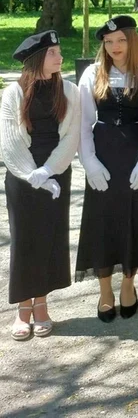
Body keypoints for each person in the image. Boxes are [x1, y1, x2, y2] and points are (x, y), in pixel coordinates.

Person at [0, 30, 80, 340]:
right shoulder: (13, 93)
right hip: (23, 177)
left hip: (56, 171)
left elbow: (71, 137)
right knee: (25, 239)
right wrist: (34, 176)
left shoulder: (69, 91)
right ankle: (23, 306)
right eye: (53, 52)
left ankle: (43, 304)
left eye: (59, 51)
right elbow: (10, 143)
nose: (59, 57)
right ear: (37, 59)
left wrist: (49, 171)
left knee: (50, 236)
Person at [76, 16, 138, 322]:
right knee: (103, 222)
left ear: (132, 40)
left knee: (135, 220)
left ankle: (128, 285)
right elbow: (83, 125)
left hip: (136, 154)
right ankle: (105, 289)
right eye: (108, 42)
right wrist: (90, 163)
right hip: (104, 155)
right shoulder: (93, 74)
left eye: (120, 40)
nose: (114, 47)